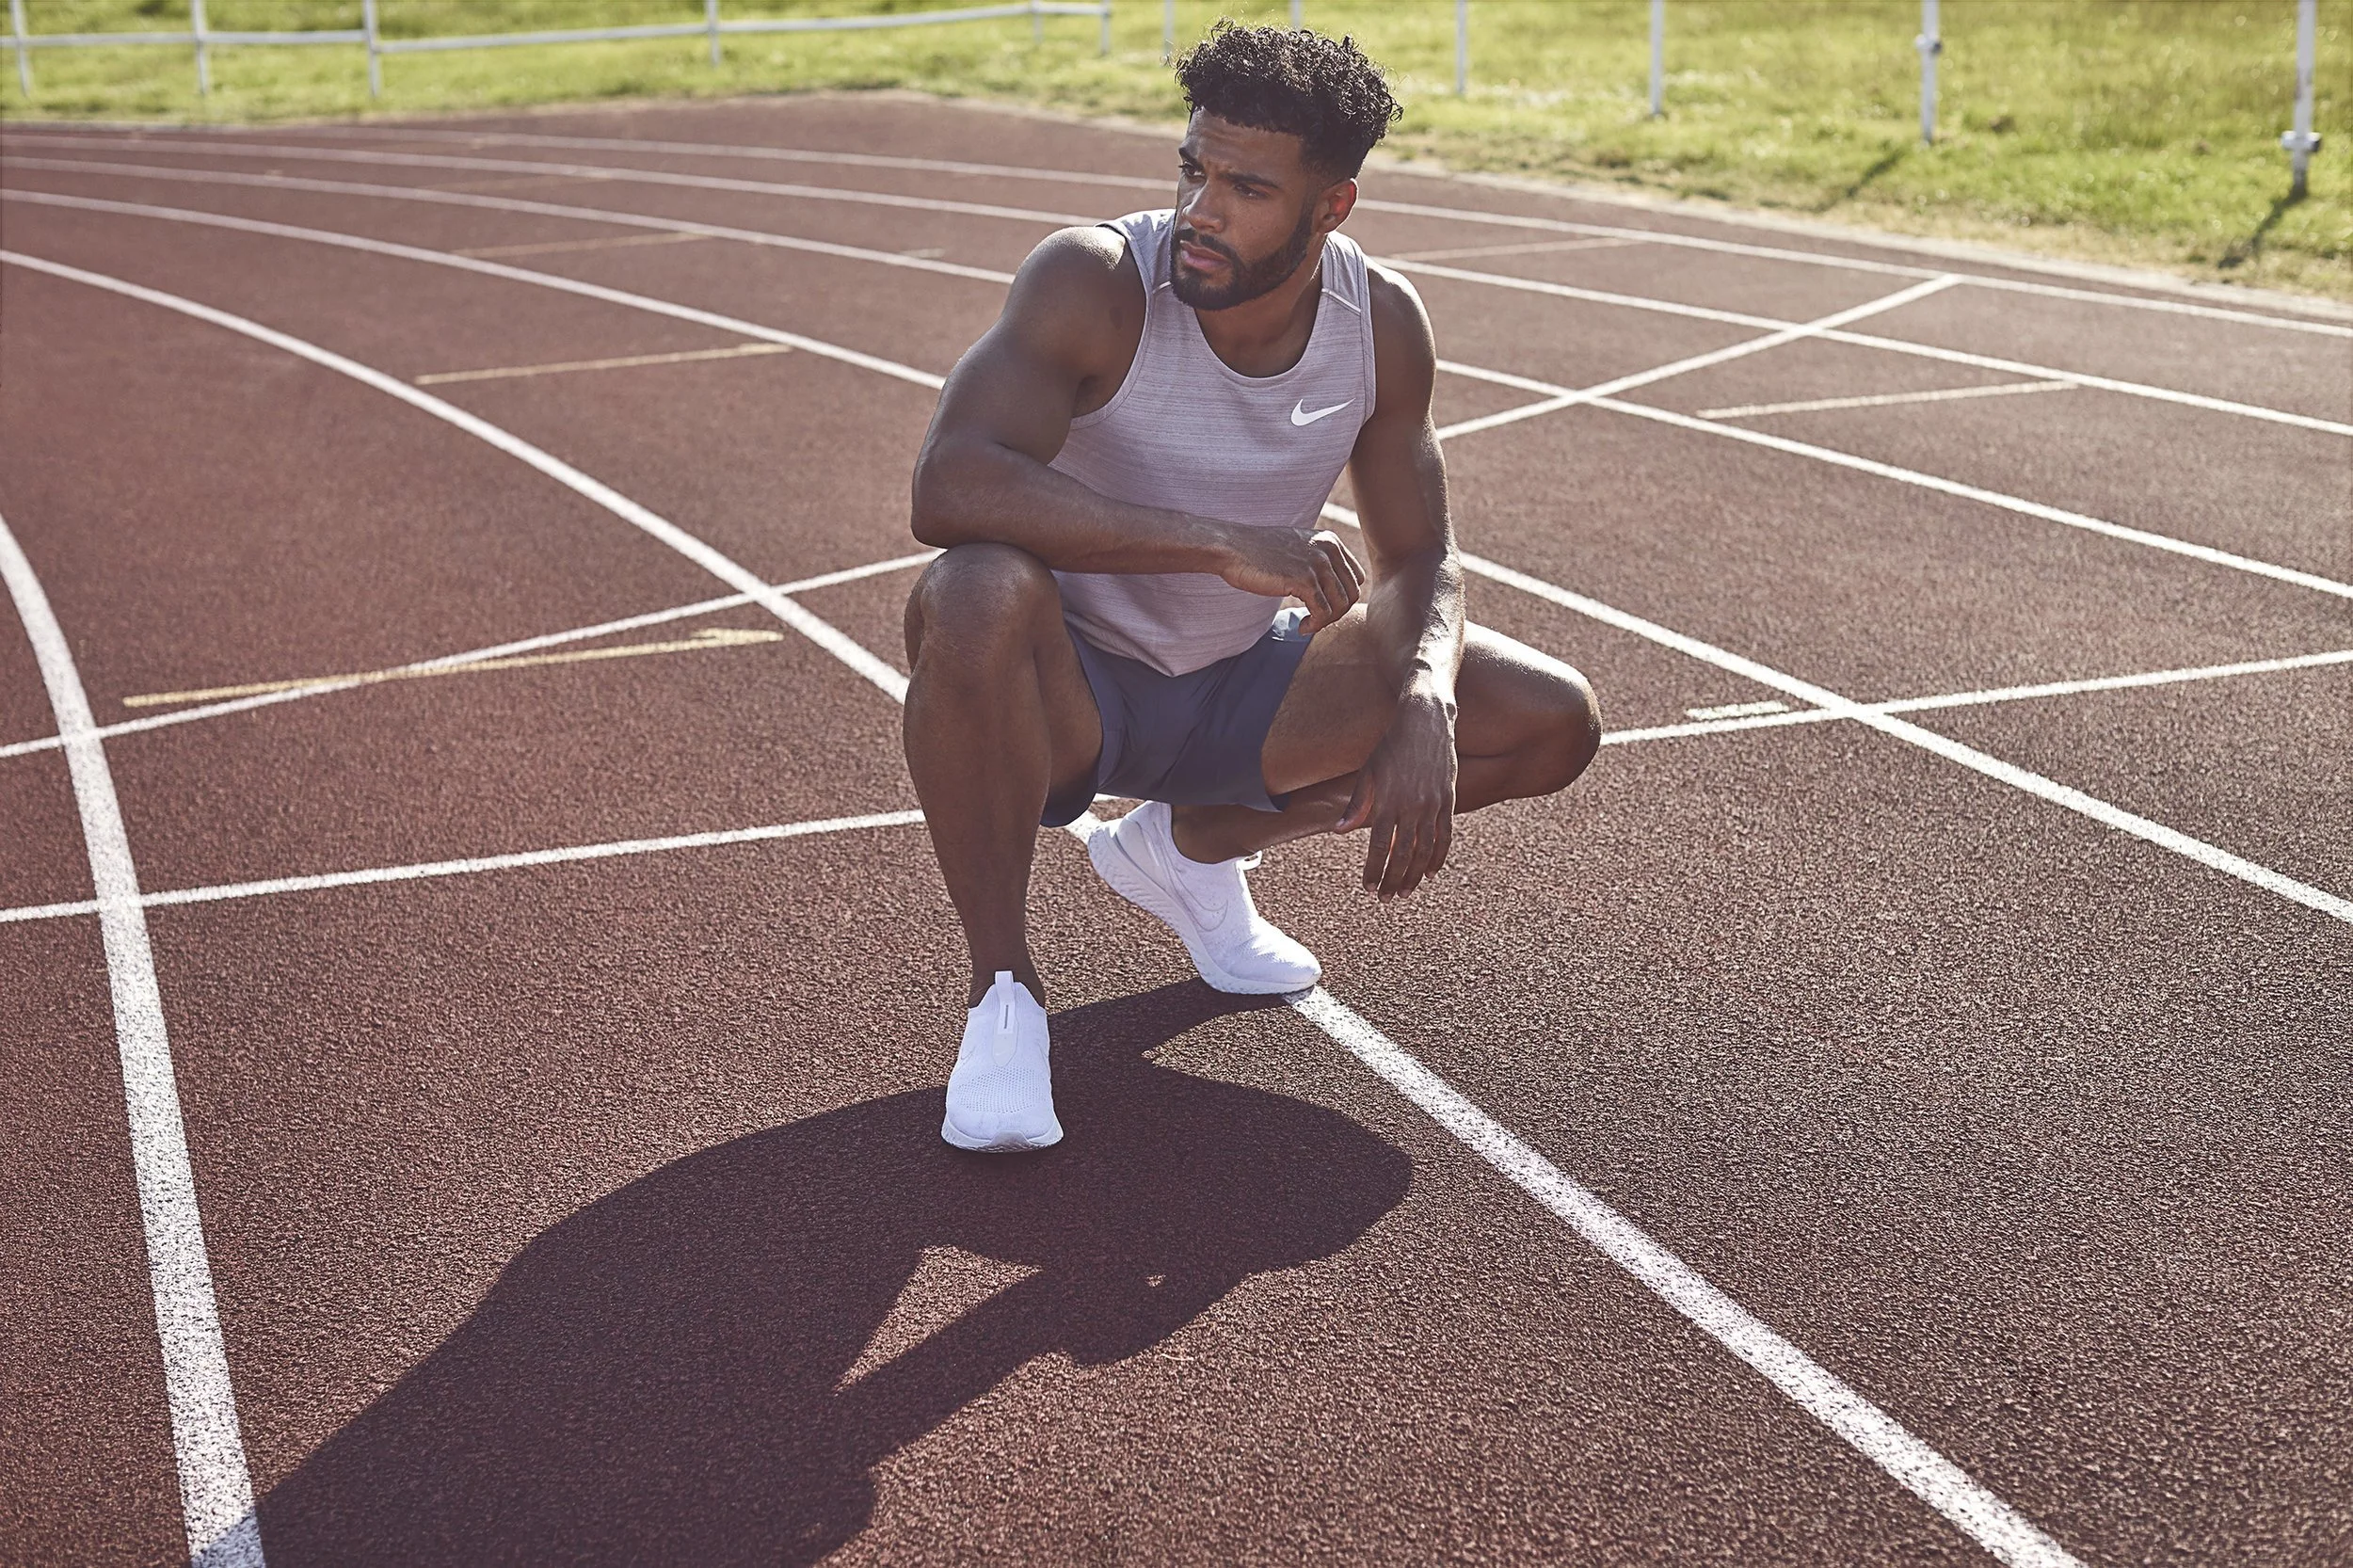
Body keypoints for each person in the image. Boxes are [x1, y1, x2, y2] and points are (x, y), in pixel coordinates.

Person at [904, 23, 1601, 1152]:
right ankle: (1004, 998)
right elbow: (949, 485)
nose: (1200, 209)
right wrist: (1212, 540)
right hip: (1070, 691)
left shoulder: (1377, 323)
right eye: (1193, 169)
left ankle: (1194, 845)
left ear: (1332, 208)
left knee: (1546, 720)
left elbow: (1419, 554)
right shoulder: (1096, 282)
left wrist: (1425, 691)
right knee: (972, 591)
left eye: (1245, 188)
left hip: (1237, 687)